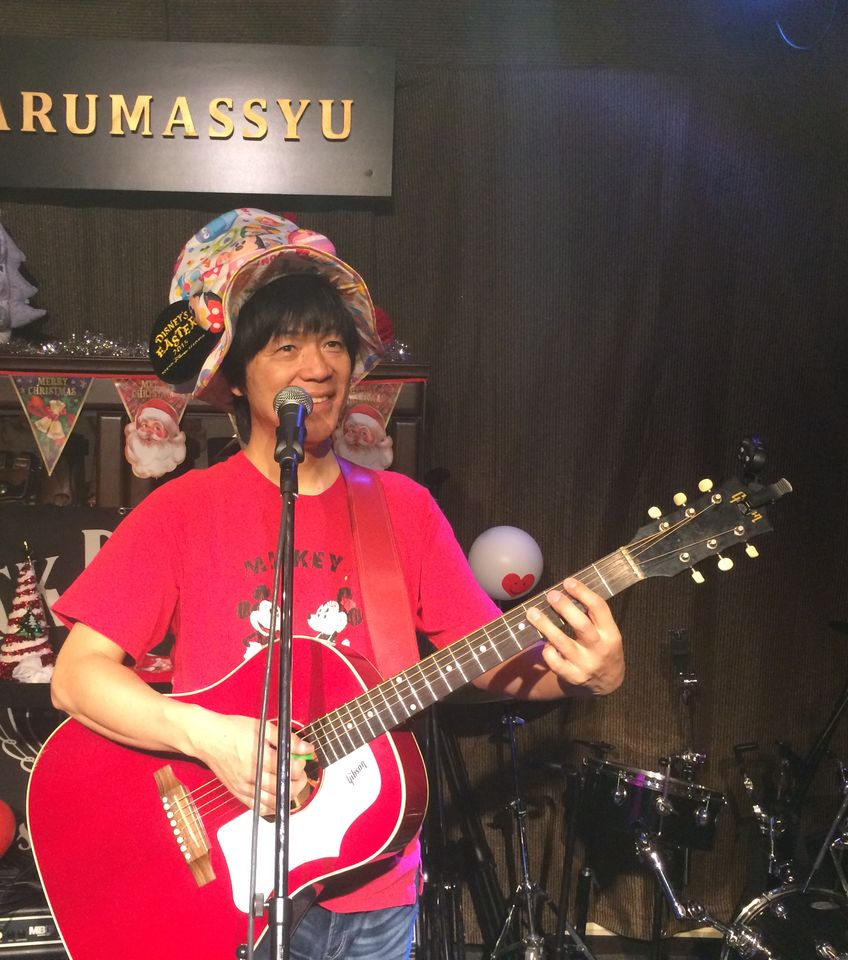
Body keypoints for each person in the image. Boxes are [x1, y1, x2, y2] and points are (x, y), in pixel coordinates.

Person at [49, 210, 624, 960]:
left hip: (374, 881)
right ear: (234, 374)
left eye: (333, 344)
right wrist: (209, 738)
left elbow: (490, 659)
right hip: (228, 883)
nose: (318, 368)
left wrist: (584, 674)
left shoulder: (403, 510)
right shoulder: (184, 510)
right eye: (286, 346)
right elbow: (75, 677)